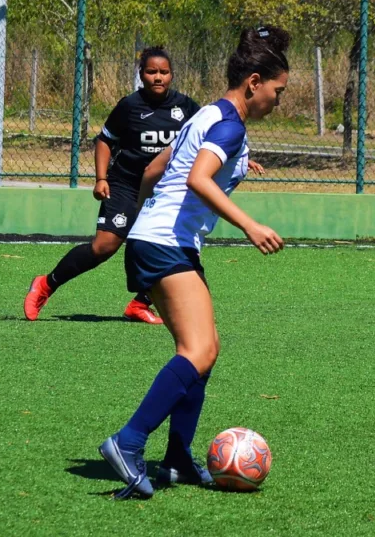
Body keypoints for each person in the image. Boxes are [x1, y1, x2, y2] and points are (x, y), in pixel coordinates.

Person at [97, 25, 289, 499]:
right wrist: (250, 225)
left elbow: (154, 169)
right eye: (277, 91)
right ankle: (128, 441)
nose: (278, 101)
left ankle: (178, 459)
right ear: (254, 82)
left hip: (163, 241)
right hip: (165, 243)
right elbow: (198, 179)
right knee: (197, 351)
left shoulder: (204, 114)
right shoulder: (230, 124)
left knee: (205, 351)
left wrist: (141, 225)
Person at [23, 47, 200, 324]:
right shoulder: (129, 106)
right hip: (126, 184)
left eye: (164, 72)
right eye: (151, 71)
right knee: (104, 246)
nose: (158, 77)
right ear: (141, 74)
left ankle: (140, 304)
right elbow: (105, 141)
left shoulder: (186, 107)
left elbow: (209, 136)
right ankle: (46, 284)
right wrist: (101, 178)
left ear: (172, 75)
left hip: (163, 190)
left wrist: (236, 159)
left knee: (172, 246)